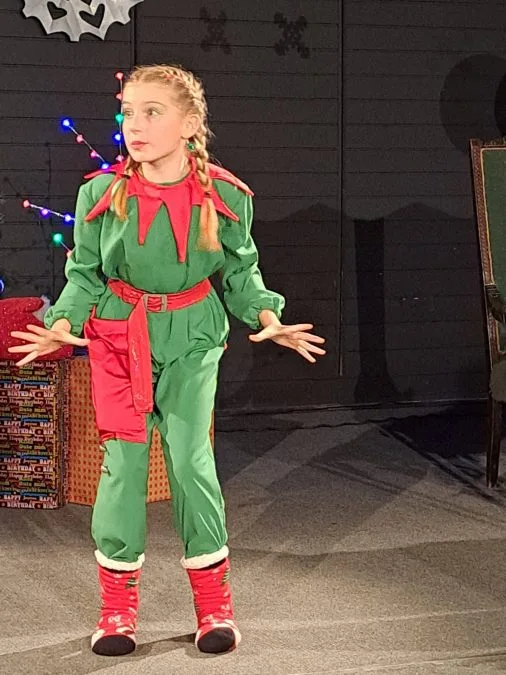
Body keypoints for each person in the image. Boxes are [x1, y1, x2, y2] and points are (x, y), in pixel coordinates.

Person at [9, 64, 326, 657]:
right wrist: (62, 324)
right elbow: (84, 275)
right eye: (128, 112)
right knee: (124, 467)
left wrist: (265, 314)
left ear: (189, 123)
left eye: (152, 112)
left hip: (192, 337)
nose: (135, 125)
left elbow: (241, 270)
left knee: (190, 460)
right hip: (118, 336)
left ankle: (214, 607)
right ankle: (116, 611)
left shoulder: (224, 195)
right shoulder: (100, 193)